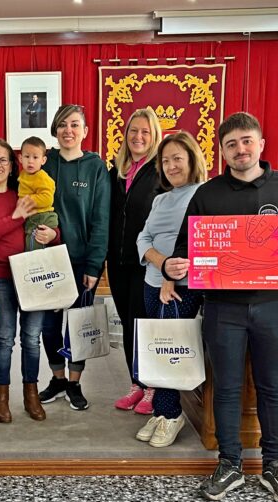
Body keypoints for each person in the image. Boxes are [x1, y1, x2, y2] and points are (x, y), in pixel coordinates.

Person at [163, 112, 278, 502]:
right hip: (222, 308)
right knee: (227, 388)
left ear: (261, 144)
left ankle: (274, 465)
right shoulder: (208, 194)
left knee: (272, 387)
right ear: (222, 151)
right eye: (231, 144)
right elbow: (186, 247)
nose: (240, 150)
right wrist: (175, 264)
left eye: (247, 141)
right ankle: (229, 463)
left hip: (272, 306)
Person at [0, 138, 60, 423]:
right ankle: (1, 396)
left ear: (12, 166)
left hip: (33, 275)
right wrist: (15, 216)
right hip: (0, 276)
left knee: (32, 339)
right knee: (5, 338)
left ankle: (30, 394)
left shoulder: (25, 190)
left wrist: (53, 235)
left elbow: (49, 221)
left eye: (3, 160)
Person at [135, 131, 207, 446]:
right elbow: (143, 238)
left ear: (192, 159)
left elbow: (199, 239)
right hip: (152, 281)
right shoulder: (161, 198)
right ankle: (162, 412)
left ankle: (171, 413)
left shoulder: (205, 194)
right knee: (157, 348)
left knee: (169, 350)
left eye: (177, 158)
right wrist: (161, 264)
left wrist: (171, 271)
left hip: (180, 287)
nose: (171, 166)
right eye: (165, 161)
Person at [38, 104, 111, 411]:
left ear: (85, 131)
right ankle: (57, 378)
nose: (68, 130)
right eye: (63, 124)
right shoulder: (44, 162)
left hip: (82, 261)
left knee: (78, 324)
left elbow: (100, 218)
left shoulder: (96, 166)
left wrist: (94, 265)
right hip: (47, 260)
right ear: (55, 130)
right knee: (49, 324)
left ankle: (74, 382)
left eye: (75, 124)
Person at [109, 108, 165, 415]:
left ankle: (153, 388)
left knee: (146, 325)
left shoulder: (160, 171)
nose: (138, 137)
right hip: (118, 262)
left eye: (145, 131)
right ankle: (136, 384)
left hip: (147, 264)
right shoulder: (117, 171)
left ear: (154, 135)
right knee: (129, 325)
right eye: (133, 131)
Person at [18, 136, 58, 251]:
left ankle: (34, 267)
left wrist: (27, 200)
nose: (30, 161)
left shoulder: (42, 177)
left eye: (35, 157)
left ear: (43, 160)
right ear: (20, 158)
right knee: (28, 241)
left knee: (33, 245)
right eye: (27, 156)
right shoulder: (24, 174)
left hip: (42, 217)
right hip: (33, 217)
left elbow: (47, 198)